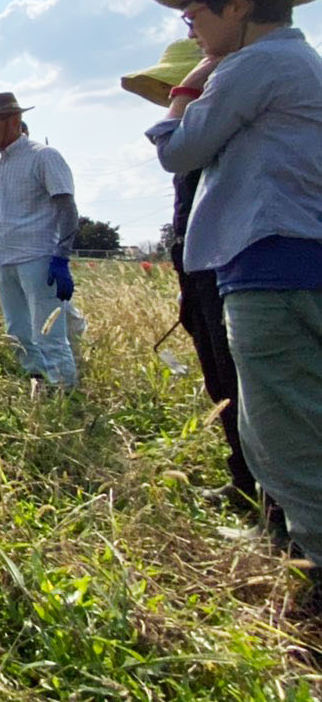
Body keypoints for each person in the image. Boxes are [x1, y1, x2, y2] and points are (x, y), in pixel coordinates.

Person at [143, 0, 322, 586]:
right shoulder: (300, 63)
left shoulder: (252, 65)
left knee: (280, 429)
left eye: (195, 10)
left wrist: (182, 98)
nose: (189, 24)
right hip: (300, 257)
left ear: (239, 6)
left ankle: (311, 568)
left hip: (268, 266)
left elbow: (180, 151)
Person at [122, 38, 282, 530]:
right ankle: (244, 481)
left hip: (230, 263)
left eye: (183, 87)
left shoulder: (231, 124)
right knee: (221, 381)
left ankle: (278, 511)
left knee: (249, 387)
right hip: (199, 263)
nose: (174, 97)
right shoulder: (202, 127)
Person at [0, 92, 81, 389]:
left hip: (38, 258)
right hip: (4, 259)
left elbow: (66, 209)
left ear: (13, 120)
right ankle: (36, 382)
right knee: (17, 330)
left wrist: (61, 257)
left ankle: (63, 392)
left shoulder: (43, 156)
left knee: (48, 334)